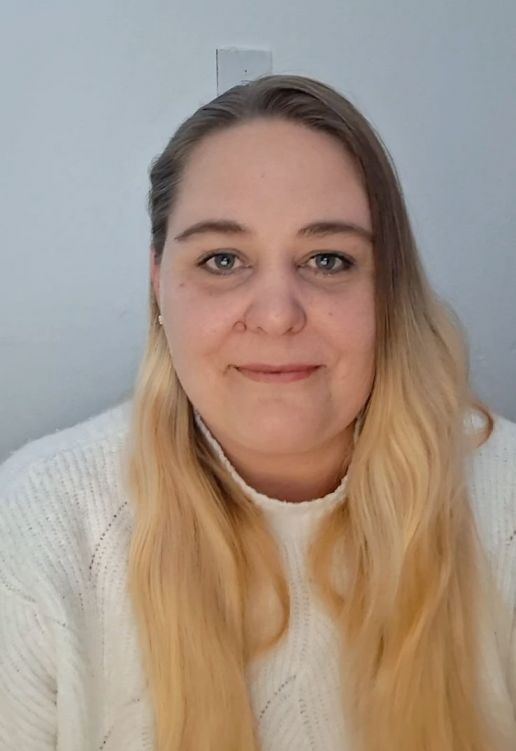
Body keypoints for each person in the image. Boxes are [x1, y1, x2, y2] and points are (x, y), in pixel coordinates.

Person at [0, 74, 515, 751]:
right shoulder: (39, 520)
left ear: (388, 287)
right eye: (223, 259)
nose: (276, 315)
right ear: (159, 284)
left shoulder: (504, 498)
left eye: (328, 259)